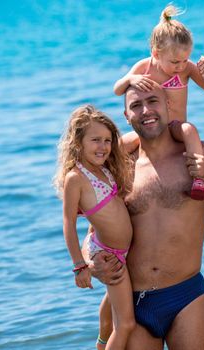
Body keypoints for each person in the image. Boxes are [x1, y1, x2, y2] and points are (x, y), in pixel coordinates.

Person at [87, 83, 204, 349]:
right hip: (133, 303)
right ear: (126, 117)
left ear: (168, 105)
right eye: (135, 106)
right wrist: (91, 261)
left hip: (186, 297)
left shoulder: (203, 154)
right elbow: (94, 235)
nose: (146, 111)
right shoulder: (117, 169)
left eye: (153, 101)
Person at [53, 105, 135, 350]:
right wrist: (80, 266)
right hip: (110, 256)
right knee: (126, 325)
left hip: (119, 250)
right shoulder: (75, 178)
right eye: (95, 140)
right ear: (78, 142)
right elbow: (68, 223)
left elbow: (132, 139)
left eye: (107, 140)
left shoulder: (103, 169)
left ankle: (100, 343)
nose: (103, 147)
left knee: (111, 307)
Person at [114, 4, 204, 200]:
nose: (181, 66)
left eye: (185, 59)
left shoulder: (187, 69)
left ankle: (200, 179)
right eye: (175, 62)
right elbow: (117, 89)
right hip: (151, 129)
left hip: (174, 128)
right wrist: (130, 80)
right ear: (156, 54)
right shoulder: (144, 67)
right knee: (120, 144)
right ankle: (102, 182)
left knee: (190, 130)